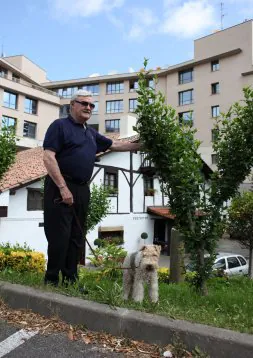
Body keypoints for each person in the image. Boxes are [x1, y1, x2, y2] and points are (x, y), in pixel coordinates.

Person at [43, 90, 140, 287]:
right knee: (59, 237)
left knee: (77, 237)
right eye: (84, 103)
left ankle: (70, 281)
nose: (88, 107)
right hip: (60, 187)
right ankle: (51, 280)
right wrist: (62, 187)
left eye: (91, 105)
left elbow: (114, 145)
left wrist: (143, 145)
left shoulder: (90, 132)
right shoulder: (60, 126)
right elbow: (48, 157)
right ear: (72, 105)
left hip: (82, 189)